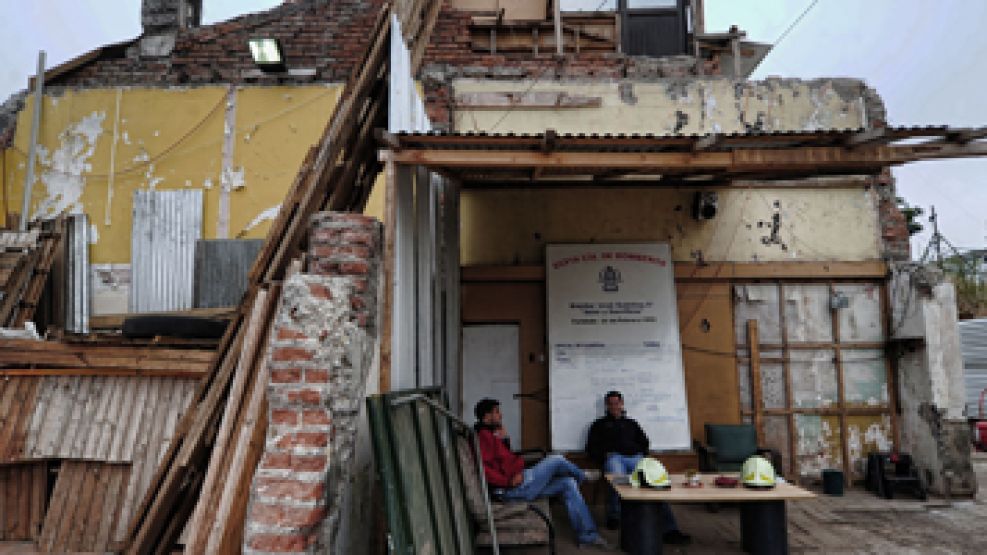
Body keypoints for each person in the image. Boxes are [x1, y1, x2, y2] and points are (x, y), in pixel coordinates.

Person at [473, 398, 611, 549]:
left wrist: (505, 440)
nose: (501, 415)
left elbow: (504, 458)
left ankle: (587, 536)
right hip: (513, 489)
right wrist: (507, 482)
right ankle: (582, 476)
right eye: (496, 412)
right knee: (556, 459)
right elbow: (483, 469)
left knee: (568, 483)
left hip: (522, 479)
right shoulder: (483, 436)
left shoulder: (492, 434)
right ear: (486, 416)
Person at [585, 390, 691, 544]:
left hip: (635, 457)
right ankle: (615, 515)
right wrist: (605, 455)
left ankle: (670, 529)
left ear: (622, 404)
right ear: (607, 406)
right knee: (617, 474)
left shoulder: (631, 423)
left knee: (654, 482)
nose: (614, 406)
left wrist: (640, 454)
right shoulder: (599, 425)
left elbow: (645, 442)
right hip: (614, 457)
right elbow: (591, 448)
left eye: (617, 403)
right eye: (611, 403)